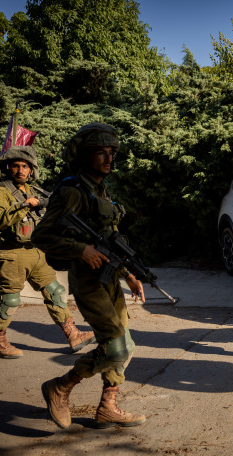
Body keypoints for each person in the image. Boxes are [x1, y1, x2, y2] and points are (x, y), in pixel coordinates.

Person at [32, 123, 146, 429]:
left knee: (127, 346)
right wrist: (80, 249)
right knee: (116, 346)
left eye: (112, 152)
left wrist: (130, 274)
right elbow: (41, 236)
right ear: (84, 156)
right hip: (87, 281)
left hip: (109, 279)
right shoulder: (71, 191)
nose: (109, 158)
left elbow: (109, 241)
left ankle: (108, 406)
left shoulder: (100, 189)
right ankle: (61, 386)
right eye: (101, 152)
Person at [0, 145, 95, 359]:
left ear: (31, 169)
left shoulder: (33, 189)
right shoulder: (2, 191)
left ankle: (73, 334)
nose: (20, 170)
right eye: (16, 166)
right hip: (12, 254)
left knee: (55, 292)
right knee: (10, 299)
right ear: (8, 168)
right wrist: (24, 205)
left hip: (37, 252)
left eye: (25, 166)